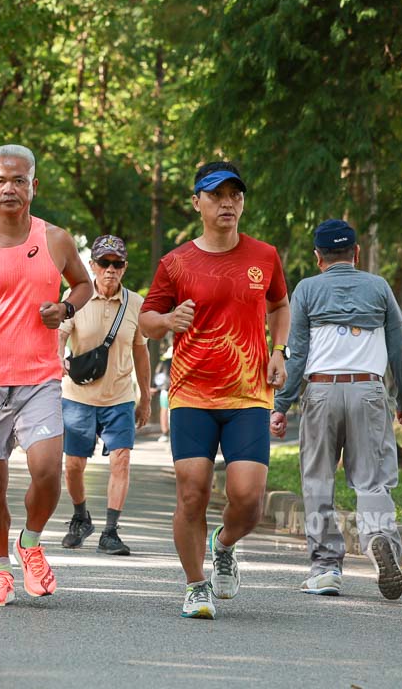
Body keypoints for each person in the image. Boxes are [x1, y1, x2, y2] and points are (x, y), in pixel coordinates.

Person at [0, 144, 93, 608]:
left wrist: (65, 308)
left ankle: (30, 541)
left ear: (33, 186)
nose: (10, 188)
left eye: (19, 180)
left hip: (40, 377)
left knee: (47, 471)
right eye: (2, 181)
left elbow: (83, 285)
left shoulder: (56, 240)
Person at [140, 161, 290, 620]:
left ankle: (223, 545)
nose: (227, 203)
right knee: (192, 493)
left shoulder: (264, 255)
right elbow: (146, 320)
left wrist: (279, 350)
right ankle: (195, 585)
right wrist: (168, 320)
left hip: (248, 393)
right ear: (197, 203)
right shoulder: (176, 262)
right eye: (216, 195)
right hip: (192, 392)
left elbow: (280, 304)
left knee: (248, 500)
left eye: (235, 195)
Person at [271, 219, 402, 600]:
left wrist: (281, 404)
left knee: (318, 480)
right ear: (356, 253)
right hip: (368, 391)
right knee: (373, 480)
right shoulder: (378, 287)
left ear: (317, 257)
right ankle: (379, 538)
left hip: (321, 392)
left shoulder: (307, 289)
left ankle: (325, 569)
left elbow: (296, 352)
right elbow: (401, 349)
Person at [58, 234, 151, 555]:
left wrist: (146, 397)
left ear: (124, 267)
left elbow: (141, 352)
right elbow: (60, 335)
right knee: (73, 465)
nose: (110, 269)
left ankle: (110, 532)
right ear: (92, 265)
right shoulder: (75, 297)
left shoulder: (135, 303)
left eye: (117, 263)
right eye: (104, 263)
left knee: (121, 460)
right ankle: (80, 517)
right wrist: (56, 358)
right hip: (78, 397)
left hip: (120, 398)